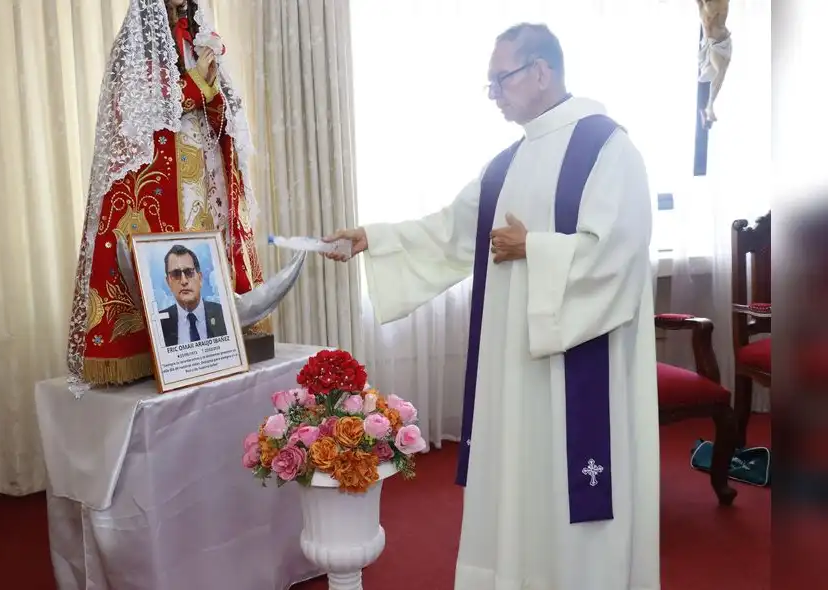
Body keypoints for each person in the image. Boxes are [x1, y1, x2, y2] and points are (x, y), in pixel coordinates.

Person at [326, 23, 660, 590]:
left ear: (540, 72)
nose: (495, 94)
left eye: (500, 79)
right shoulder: (508, 163)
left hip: (578, 364)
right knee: (521, 481)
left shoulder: (606, 147)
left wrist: (537, 248)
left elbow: (623, 250)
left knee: (571, 483)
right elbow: (451, 231)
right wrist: (373, 238)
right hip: (516, 370)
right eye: (490, 84)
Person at [66, 0, 267, 386]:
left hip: (202, 169)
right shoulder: (137, 44)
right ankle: (153, 349)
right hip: (163, 172)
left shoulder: (197, 39)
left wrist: (213, 92)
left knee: (207, 251)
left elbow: (219, 107)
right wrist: (197, 82)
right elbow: (137, 112)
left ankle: (212, 341)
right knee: (164, 255)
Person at [159, 244, 227, 346]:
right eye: (176, 274)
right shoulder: (160, 323)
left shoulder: (223, 314)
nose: (184, 281)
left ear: (200, 278)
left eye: (189, 272)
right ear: (168, 282)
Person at [697, 0, 732, 128]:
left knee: (719, 72)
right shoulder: (702, 4)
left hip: (721, 43)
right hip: (710, 44)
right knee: (711, 74)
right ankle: (707, 109)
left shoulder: (720, 2)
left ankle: (708, 108)